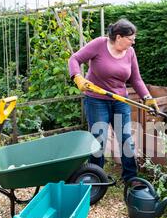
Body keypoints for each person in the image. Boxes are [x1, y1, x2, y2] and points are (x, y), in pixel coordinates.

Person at [68, 18, 159, 183]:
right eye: (131, 39)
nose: (133, 42)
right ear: (119, 37)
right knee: (98, 139)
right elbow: (74, 59)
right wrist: (78, 78)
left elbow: (136, 79)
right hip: (96, 100)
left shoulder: (130, 52)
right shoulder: (99, 45)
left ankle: (131, 178)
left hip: (119, 100)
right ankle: (95, 177)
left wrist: (148, 98)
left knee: (126, 139)